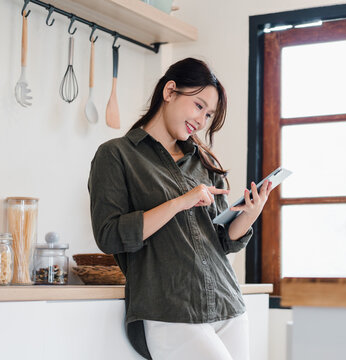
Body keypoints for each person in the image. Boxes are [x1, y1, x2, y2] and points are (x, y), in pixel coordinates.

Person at [88, 57, 272, 360]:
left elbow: (223, 240)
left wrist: (249, 214)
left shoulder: (204, 162)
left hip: (227, 303)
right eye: (199, 106)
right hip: (169, 309)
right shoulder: (116, 155)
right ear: (170, 91)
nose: (202, 121)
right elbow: (109, 235)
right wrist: (181, 202)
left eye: (209, 114)